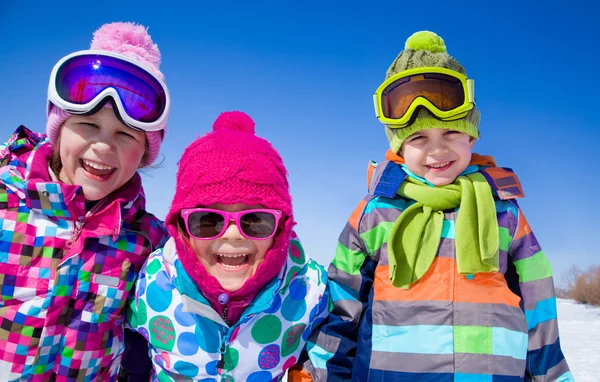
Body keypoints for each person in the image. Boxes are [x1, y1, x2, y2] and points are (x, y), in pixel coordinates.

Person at [291, 31, 573, 381]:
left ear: (471, 138)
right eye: (419, 138)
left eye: (451, 134)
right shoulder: (375, 214)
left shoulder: (505, 214)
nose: (437, 151)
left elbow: (539, 306)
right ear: (399, 148)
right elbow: (342, 308)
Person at [0, 22, 170, 381]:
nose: (104, 147)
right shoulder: (6, 200)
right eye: (88, 125)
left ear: (144, 155)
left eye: (125, 134)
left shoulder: (147, 241)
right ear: (59, 129)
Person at [122, 111, 330, 381]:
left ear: (281, 228)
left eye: (256, 220)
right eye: (207, 220)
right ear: (182, 226)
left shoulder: (310, 291)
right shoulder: (151, 282)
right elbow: (132, 341)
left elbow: (331, 347)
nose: (232, 235)